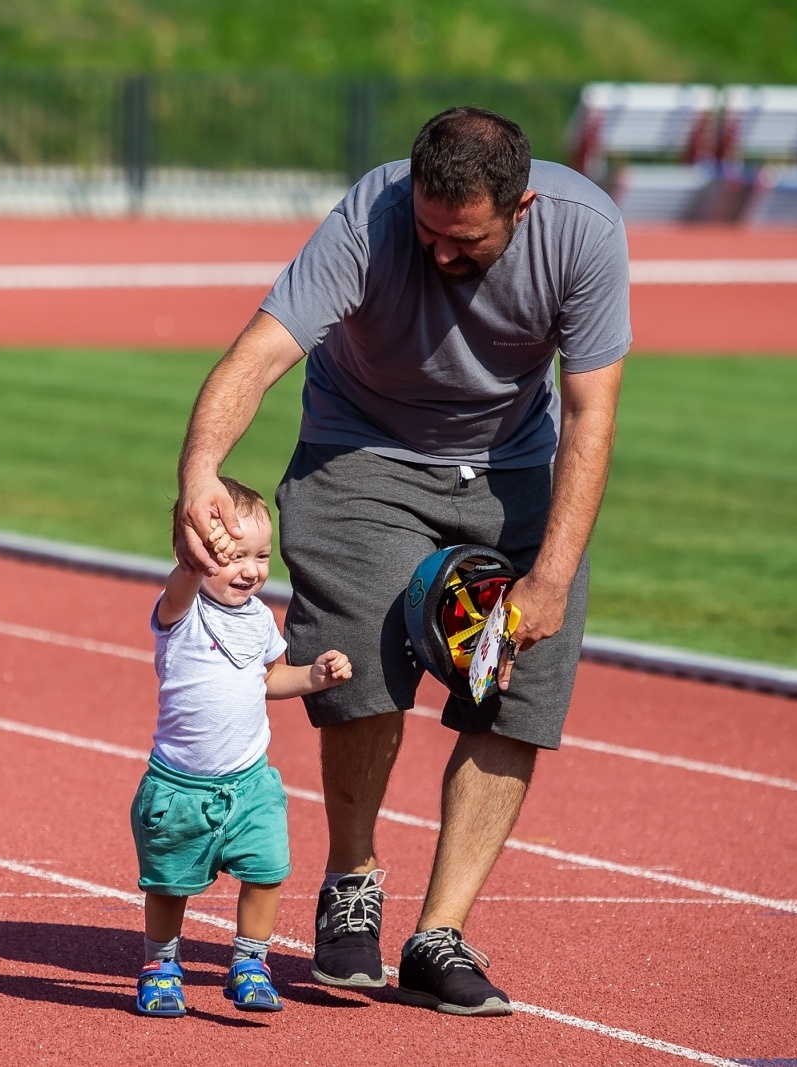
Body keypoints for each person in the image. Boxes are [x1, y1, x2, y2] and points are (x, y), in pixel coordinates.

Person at [174, 107, 629, 1015]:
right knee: (360, 663)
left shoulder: (586, 235)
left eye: (465, 242)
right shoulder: (370, 218)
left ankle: (440, 934)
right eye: (428, 233)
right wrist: (199, 472)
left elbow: (590, 417)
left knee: (519, 685)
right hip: (362, 452)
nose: (442, 256)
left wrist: (547, 577)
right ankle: (352, 879)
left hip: (511, 467)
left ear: (522, 206)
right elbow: (259, 353)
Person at [132, 476, 353, 1017]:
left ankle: (250, 962)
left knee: (267, 870)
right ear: (195, 555)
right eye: (232, 558)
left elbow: (269, 678)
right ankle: (160, 966)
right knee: (168, 884)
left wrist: (314, 678)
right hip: (180, 787)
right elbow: (184, 581)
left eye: (261, 556)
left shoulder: (257, 618)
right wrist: (191, 562)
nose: (250, 570)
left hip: (250, 782)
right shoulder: (180, 611)